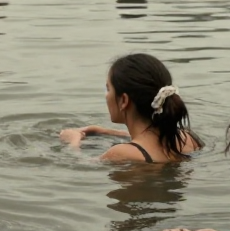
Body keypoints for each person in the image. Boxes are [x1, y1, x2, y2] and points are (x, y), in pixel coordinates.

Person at [59, 52, 202, 163]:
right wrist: (104, 131)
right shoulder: (188, 138)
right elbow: (151, 137)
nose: (106, 95)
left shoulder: (121, 153)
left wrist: (73, 142)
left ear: (124, 100)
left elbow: (79, 163)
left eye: (108, 89)